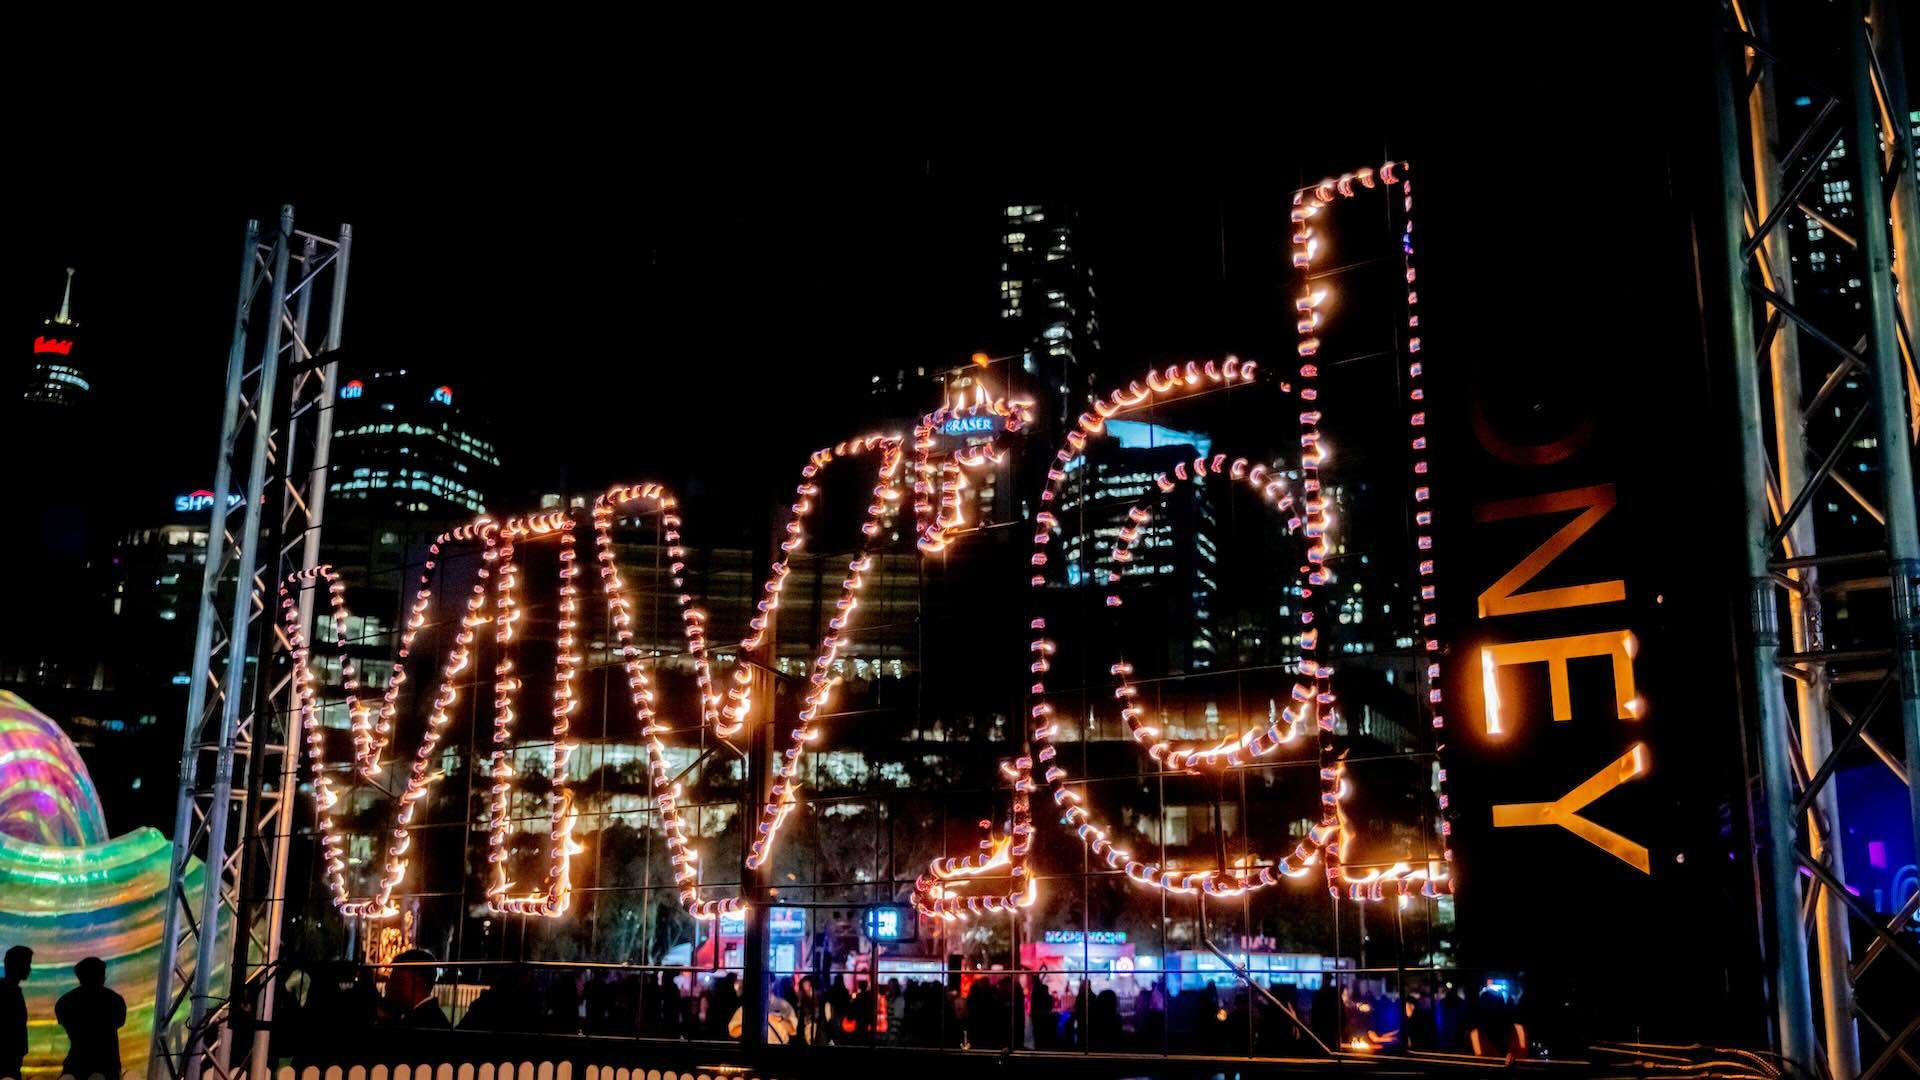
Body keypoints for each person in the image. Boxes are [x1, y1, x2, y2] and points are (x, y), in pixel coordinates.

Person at [54, 957, 125, 1080]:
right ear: (102, 976)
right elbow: (119, 1022)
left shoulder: (64, 1002)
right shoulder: (116, 1000)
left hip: (77, 1062)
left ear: (80, 977)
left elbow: (67, 1025)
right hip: (108, 1062)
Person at [378, 949, 449, 1028]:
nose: (387, 986)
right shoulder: (428, 1016)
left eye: (397, 981)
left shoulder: (422, 1023)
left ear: (419, 982)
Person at [0, 947, 30, 1080]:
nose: (29, 969)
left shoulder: (12, 990)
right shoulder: (10, 992)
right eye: (27, 964)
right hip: (8, 1062)